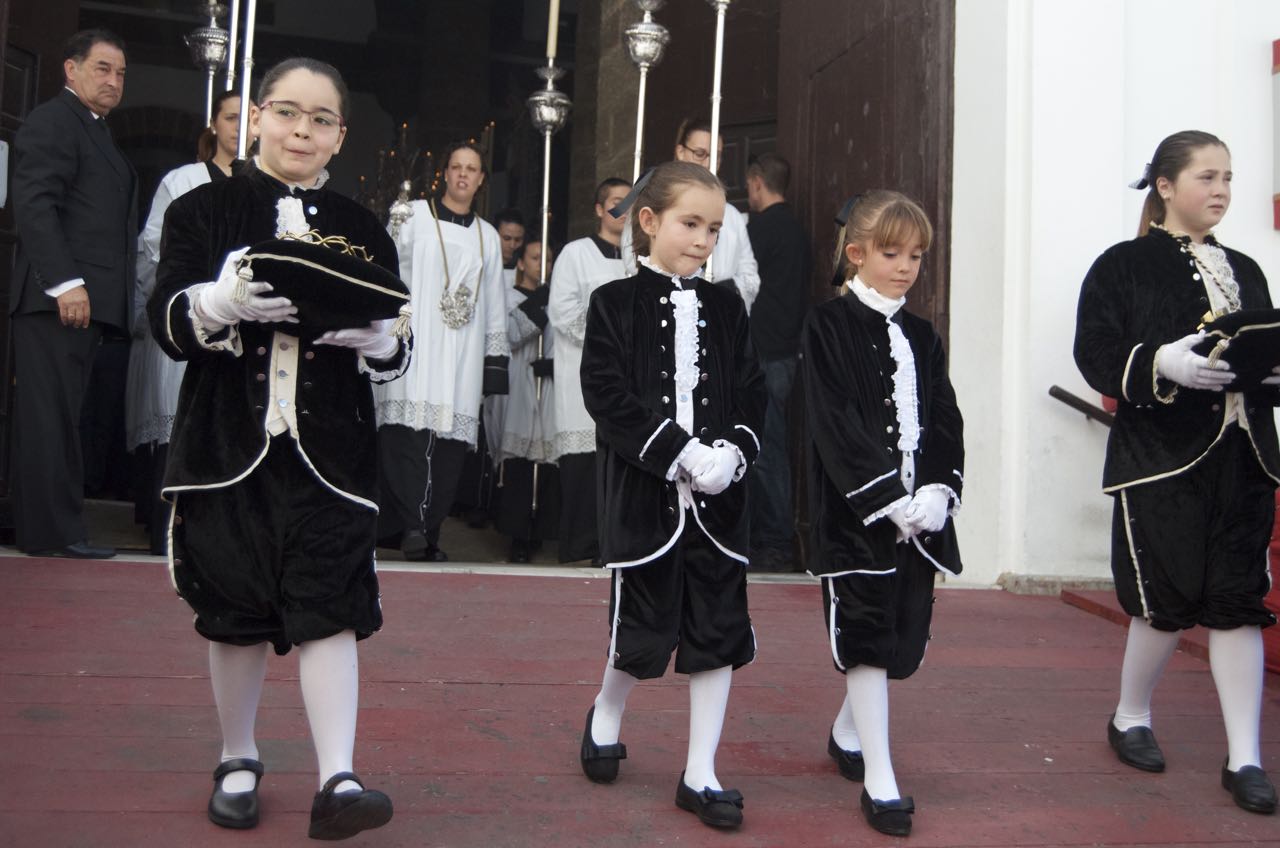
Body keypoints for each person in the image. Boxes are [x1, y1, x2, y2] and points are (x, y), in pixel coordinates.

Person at [150, 57, 407, 839]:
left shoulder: (362, 227)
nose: (303, 131)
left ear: (341, 134)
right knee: (234, 607)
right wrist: (214, 302)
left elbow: (396, 342)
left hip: (330, 452)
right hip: (227, 443)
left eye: (321, 119)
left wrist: (382, 338)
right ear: (255, 116)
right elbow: (164, 324)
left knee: (331, 605)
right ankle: (238, 756)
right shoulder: (202, 210)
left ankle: (340, 778)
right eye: (288, 113)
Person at [1074, 130, 1279, 816]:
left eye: (1228, 177)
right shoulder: (1123, 265)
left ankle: (1244, 757)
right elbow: (1096, 351)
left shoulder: (1247, 268)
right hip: (1161, 459)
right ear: (1165, 186)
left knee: (1237, 601)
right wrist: (1161, 363)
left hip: (1246, 455)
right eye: (1207, 177)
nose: (1221, 190)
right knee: (1164, 601)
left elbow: (1257, 359)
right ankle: (1131, 715)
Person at [577, 161, 764, 830]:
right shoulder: (612, 304)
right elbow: (607, 395)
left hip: (718, 505)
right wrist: (678, 452)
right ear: (649, 222)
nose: (703, 240)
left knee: (719, 631)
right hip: (644, 499)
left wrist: (733, 452)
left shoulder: (726, 306)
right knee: (642, 634)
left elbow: (751, 390)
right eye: (691, 223)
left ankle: (701, 771)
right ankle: (607, 709)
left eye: (714, 229)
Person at [801, 191, 964, 837]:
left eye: (917, 256)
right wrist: (884, 499)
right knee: (866, 635)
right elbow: (833, 422)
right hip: (856, 514)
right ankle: (880, 776)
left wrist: (937, 489)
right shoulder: (828, 325)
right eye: (892, 253)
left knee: (902, 641)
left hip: (919, 517)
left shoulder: (923, 335)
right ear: (857, 253)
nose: (906, 267)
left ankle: (847, 733)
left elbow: (945, 418)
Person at [9, 29, 135, 558]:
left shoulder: (95, 128)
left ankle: (53, 527)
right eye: (102, 68)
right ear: (71, 69)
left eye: (121, 73)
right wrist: (66, 283)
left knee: (64, 416)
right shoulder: (54, 120)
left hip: (84, 301)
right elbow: (35, 204)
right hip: (58, 298)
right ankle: (51, 533)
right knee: (49, 418)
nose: (113, 81)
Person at [374, 142, 509, 561]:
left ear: (481, 179)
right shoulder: (413, 214)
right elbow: (386, 267)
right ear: (445, 173)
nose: (463, 175)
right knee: (407, 439)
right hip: (417, 341)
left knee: (450, 448)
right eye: (456, 167)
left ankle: (430, 531)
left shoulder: (487, 235)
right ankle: (409, 526)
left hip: (463, 351)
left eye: (472, 169)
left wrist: (493, 366)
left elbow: (495, 301)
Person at [127, 88, 241, 554]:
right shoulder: (183, 179)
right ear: (213, 124)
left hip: (238, 321)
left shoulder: (261, 183)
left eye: (247, 118)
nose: (240, 128)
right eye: (231, 117)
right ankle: (166, 531)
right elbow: (155, 246)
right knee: (176, 422)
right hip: (189, 311)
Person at [546, 177, 630, 562]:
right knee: (584, 467)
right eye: (615, 201)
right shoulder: (575, 253)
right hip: (582, 373)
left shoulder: (638, 256)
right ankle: (580, 546)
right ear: (599, 209)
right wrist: (610, 337)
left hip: (627, 378)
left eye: (628, 202)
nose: (622, 209)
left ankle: (613, 544)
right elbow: (561, 311)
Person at [744, 153, 810, 570]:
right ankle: (770, 537)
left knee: (764, 449)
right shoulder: (800, 232)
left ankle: (773, 541)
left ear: (755, 183)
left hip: (761, 353)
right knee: (771, 444)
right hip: (787, 351)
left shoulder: (758, 230)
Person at [621, 118, 760, 312]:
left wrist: (728, 290)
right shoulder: (652, 202)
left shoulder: (732, 216)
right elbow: (632, 259)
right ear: (680, 151)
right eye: (700, 154)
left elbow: (750, 275)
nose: (709, 163)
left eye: (717, 156)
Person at [492, 239, 559, 563]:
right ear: (521, 263)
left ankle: (539, 531)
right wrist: (538, 305)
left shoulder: (558, 298)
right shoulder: (509, 297)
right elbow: (509, 333)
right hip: (521, 382)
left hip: (547, 384)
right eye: (535, 258)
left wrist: (555, 363)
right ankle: (517, 535)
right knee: (520, 462)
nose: (541, 264)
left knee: (546, 462)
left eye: (547, 258)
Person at [494, 207, 527, 276]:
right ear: (494, 235)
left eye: (517, 240)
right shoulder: (481, 265)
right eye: (507, 238)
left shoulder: (527, 272)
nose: (512, 245)